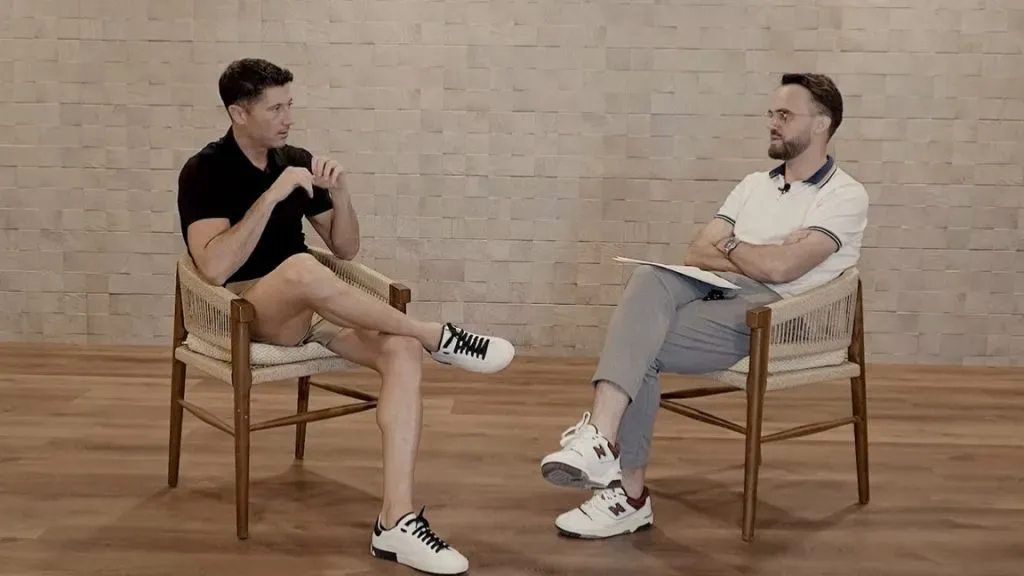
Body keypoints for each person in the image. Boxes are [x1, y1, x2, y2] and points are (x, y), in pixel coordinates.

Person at [177, 58, 515, 575]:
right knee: (299, 268)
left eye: (290, 105)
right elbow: (213, 267)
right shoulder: (204, 171)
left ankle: (396, 522)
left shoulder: (294, 159)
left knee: (399, 350)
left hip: (310, 306)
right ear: (238, 113)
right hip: (244, 312)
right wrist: (272, 196)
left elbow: (346, 249)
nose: (288, 118)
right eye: (275, 108)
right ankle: (437, 335)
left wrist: (340, 193)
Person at [539, 73, 868, 539]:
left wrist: (732, 244)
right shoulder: (753, 184)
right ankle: (602, 443)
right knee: (649, 277)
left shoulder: (844, 195)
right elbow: (696, 252)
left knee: (641, 347)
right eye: (771, 113)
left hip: (779, 316)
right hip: (722, 291)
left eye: (785, 114)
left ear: (821, 124)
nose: (772, 123)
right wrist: (759, 252)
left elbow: (782, 271)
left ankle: (626, 491)